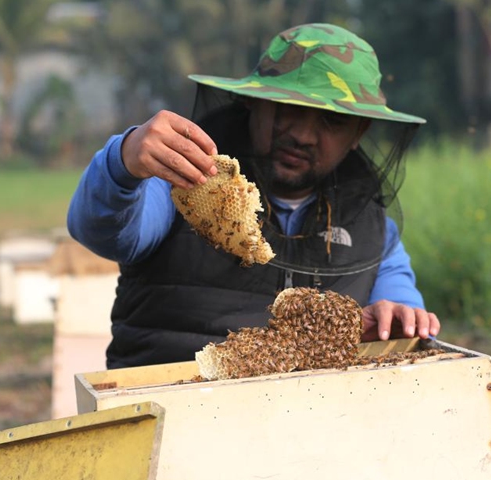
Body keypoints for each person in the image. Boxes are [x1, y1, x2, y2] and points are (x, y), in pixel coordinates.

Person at [68, 23, 440, 369]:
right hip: (167, 411)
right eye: (290, 109)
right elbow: (101, 231)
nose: (303, 136)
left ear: (359, 132)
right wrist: (123, 161)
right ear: (252, 102)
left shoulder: (376, 233)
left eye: (332, 121)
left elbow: (401, 307)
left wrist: (400, 316)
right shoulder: (178, 185)